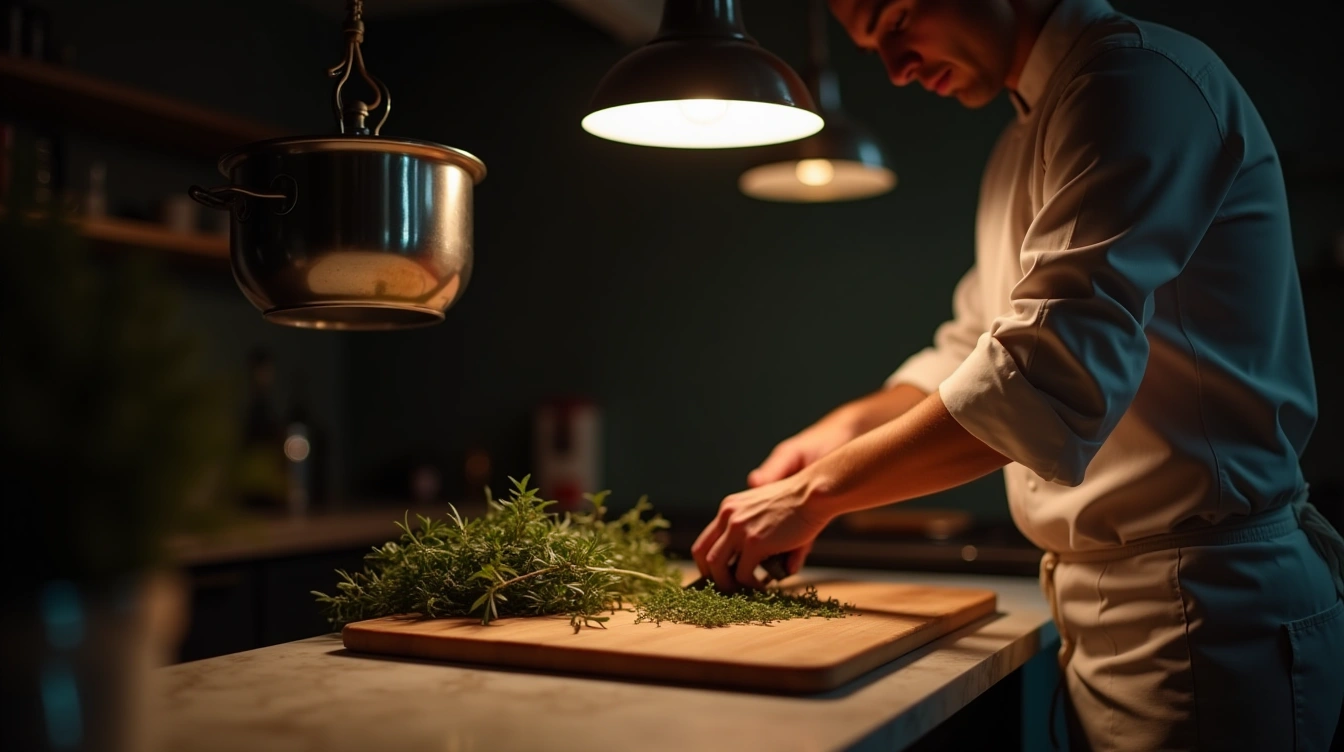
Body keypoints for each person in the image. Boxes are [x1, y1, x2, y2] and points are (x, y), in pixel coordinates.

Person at [691, 0, 1344, 748]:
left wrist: (816, 493)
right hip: (1114, 603)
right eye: (873, 46)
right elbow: (975, 349)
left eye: (898, 19)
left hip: (1209, 608)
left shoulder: (1135, 82)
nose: (897, 69)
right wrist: (839, 433)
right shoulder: (1027, 137)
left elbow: (1042, 376)